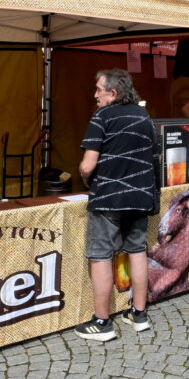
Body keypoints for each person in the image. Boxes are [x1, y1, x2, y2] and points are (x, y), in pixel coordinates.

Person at [75, 69, 158, 341]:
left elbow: (88, 165)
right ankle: (139, 314)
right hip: (141, 196)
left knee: (100, 255)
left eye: (99, 90)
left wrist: (84, 175)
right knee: (137, 250)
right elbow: (153, 155)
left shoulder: (102, 116)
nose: (95, 95)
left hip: (109, 197)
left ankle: (102, 322)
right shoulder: (144, 116)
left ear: (113, 92)